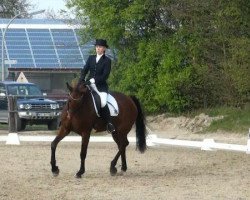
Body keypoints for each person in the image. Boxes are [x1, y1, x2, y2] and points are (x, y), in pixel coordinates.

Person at [79, 39, 115, 133]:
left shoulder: (107, 61)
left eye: (100, 47)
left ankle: (109, 123)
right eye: (97, 47)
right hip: (88, 85)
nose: (98, 48)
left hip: (101, 87)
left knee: (103, 102)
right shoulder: (91, 58)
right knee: (78, 96)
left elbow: (105, 76)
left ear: (104, 49)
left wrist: (93, 80)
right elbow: (85, 70)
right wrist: (81, 79)